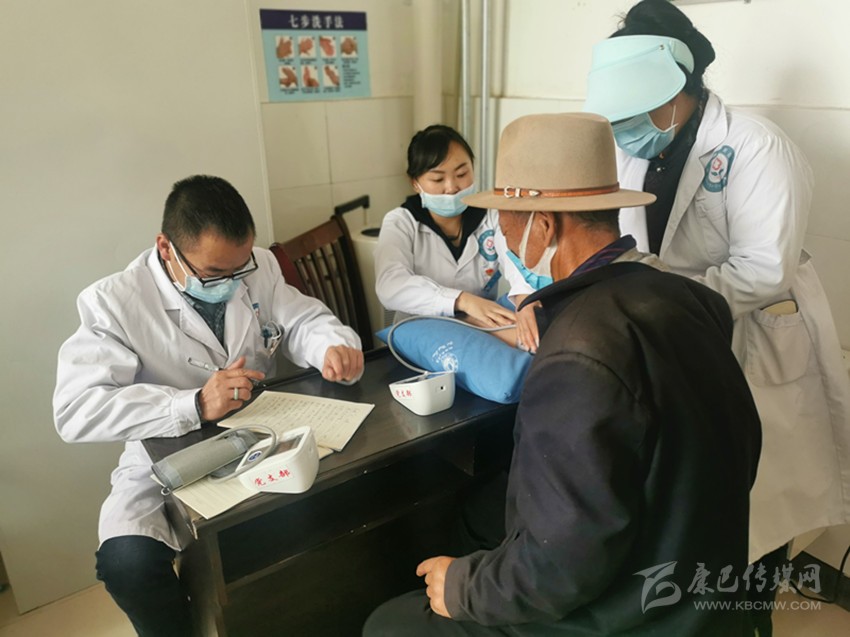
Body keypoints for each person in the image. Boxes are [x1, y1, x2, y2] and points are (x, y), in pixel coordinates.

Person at [363, 112, 761, 636]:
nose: (504, 240)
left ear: (544, 225)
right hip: (698, 571)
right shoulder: (689, 299)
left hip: (634, 612)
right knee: (482, 513)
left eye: (507, 225)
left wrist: (463, 587)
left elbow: (563, 565)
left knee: (389, 624)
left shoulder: (576, 356)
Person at [578, 1, 850, 633]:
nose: (624, 128)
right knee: (702, 504)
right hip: (681, 340)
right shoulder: (639, 148)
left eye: (634, 111)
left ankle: (751, 623)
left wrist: (658, 300)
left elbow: (763, 269)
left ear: (677, 90)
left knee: (757, 514)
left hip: (754, 340)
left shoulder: (757, 146)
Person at [53, 175, 364, 636]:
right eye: (215, 273)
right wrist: (193, 404)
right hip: (167, 452)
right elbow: (76, 409)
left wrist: (330, 346)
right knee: (127, 566)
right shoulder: (113, 302)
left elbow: (299, 319)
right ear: (166, 248)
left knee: (326, 515)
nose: (233, 283)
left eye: (241, 268)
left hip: (264, 430)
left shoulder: (258, 265)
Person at [374, 124, 515, 328]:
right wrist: (462, 301)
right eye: (438, 179)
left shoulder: (491, 216)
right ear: (415, 183)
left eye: (461, 174)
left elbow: (517, 264)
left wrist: (525, 296)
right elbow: (390, 286)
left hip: (479, 328)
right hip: (421, 329)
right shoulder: (401, 223)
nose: (451, 188)